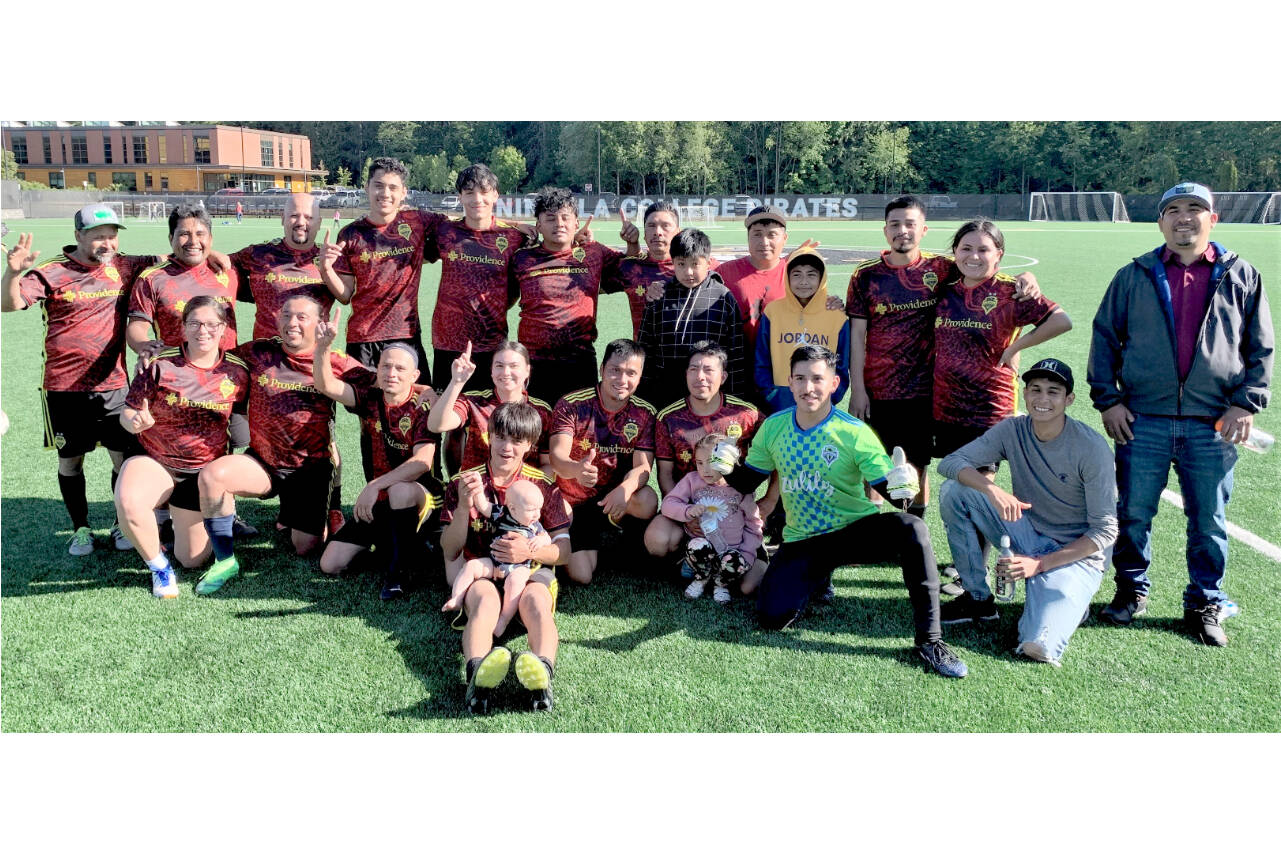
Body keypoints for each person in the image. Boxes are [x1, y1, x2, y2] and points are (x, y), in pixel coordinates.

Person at [1088, 181, 1273, 647]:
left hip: (1213, 423)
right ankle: (1131, 591)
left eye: (1196, 209)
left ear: (1214, 219)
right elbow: (1105, 338)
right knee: (1132, 514)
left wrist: (1245, 403)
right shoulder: (1135, 274)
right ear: (1161, 221)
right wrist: (1109, 400)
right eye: (1174, 209)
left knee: (1209, 519)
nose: (1184, 217)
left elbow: (1259, 347)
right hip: (1142, 420)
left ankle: (1205, 601)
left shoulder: (1241, 274)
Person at [724, 344, 968, 678]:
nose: (808, 387)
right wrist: (725, 467)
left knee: (912, 527)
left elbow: (896, 496)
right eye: (800, 379)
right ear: (790, 383)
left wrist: (904, 484)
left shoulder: (854, 432)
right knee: (770, 617)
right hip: (802, 540)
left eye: (817, 379)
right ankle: (817, 576)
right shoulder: (774, 427)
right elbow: (747, 481)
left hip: (853, 533)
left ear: (835, 383)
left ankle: (931, 640)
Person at [846, 195, 1040, 518]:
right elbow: (856, 336)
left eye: (910, 224)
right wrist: (859, 389)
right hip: (878, 388)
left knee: (917, 461)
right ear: (885, 231)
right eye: (895, 224)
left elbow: (986, 273)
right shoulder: (866, 276)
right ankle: (874, 523)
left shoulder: (941, 269)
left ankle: (914, 525)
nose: (902, 231)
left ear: (923, 229)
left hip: (926, 390)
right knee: (875, 458)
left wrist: (1028, 279)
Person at [2, 205, 160, 555]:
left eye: (112, 235)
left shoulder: (124, 265)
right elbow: (10, 304)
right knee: (71, 461)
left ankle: (121, 525)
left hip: (115, 386)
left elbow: (173, 257)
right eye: (98, 236)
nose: (107, 243)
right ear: (78, 236)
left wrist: (211, 254)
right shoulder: (52, 272)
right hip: (63, 389)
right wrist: (12, 273)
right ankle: (81, 528)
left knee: (124, 459)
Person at [937, 359, 1117, 666]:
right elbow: (950, 463)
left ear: (1068, 399)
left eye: (1053, 391)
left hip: (1074, 554)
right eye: (1035, 390)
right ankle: (978, 600)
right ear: (1025, 392)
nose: (1042, 399)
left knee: (1037, 647)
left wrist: (1039, 564)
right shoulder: (1013, 429)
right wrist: (992, 489)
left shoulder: (1091, 448)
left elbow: (1105, 532)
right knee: (956, 492)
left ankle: (1067, 599)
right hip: (1026, 530)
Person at [194, 295, 375, 594]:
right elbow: (211, 359)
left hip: (309, 470)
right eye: (287, 315)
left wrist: (423, 391)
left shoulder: (336, 361)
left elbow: (380, 385)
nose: (292, 322)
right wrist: (163, 354)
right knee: (213, 476)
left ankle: (323, 509)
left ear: (319, 323)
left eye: (302, 317)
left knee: (305, 548)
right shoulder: (258, 352)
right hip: (263, 462)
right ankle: (225, 560)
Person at [440, 402, 572, 714]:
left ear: (530, 445)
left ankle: (542, 680)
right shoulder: (466, 481)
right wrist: (462, 507)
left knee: (537, 603)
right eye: (500, 437)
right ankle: (477, 680)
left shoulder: (542, 485)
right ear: (488, 436)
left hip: (528, 573)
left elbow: (563, 553)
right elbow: (450, 549)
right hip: (484, 573)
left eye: (517, 441)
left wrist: (529, 551)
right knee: (485, 602)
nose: (507, 447)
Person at [114, 296, 249, 598]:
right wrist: (134, 422)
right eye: (195, 323)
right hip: (156, 459)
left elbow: (243, 423)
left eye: (211, 324)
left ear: (223, 327)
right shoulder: (160, 364)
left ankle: (179, 521)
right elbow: (128, 412)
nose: (203, 330)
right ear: (184, 327)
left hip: (201, 473)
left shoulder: (237, 371)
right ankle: (159, 567)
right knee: (128, 502)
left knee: (192, 559)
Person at [313, 311, 442, 601]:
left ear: (415, 376)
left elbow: (423, 462)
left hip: (422, 497)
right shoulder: (370, 399)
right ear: (378, 370)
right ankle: (400, 547)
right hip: (381, 501)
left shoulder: (423, 406)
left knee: (399, 491)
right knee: (330, 563)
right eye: (386, 367)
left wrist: (374, 485)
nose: (391, 373)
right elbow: (327, 385)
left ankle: (399, 572)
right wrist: (322, 347)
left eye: (399, 369)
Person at [932, 219, 1071, 460]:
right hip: (946, 405)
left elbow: (1061, 321)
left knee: (981, 482)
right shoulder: (944, 289)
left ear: (999, 254)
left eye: (983, 249)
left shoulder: (1011, 292)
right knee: (954, 476)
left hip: (989, 405)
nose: (974, 256)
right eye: (966, 248)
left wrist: (1015, 347)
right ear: (955, 251)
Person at [646, 343, 768, 589]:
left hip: (735, 514)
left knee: (748, 587)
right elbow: (666, 475)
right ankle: (694, 559)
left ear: (722, 376)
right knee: (657, 540)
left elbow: (777, 458)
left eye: (708, 370)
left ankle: (746, 553)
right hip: (693, 509)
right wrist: (686, 513)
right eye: (694, 369)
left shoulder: (747, 414)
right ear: (686, 374)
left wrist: (769, 502)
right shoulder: (668, 418)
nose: (700, 376)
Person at [507, 187, 640, 406]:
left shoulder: (593, 252)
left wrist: (632, 243)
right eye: (550, 218)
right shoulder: (521, 258)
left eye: (565, 217)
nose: (559, 224)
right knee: (534, 431)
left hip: (579, 360)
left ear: (576, 223)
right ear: (538, 225)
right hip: (533, 362)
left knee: (578, 432)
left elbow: (629, 269)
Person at [548, 339, 659, 585]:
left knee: (647, 501)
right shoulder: (572, 404)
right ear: (602, 370)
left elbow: (643, 466)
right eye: (615, 370)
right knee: (582, 576)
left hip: (611, 501)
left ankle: (620, 538)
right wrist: (576, 470)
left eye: (631, 373)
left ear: (640, 377)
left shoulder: (645, 412)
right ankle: (578, 536)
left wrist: (625, 489)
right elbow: (557, 457)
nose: (622, 379)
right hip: (572, 500)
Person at [425, 163, 535, 394]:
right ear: (460, 197)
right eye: (469, 193)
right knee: (446, 414)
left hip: (491, 343)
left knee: (487, 417)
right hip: (447, 341)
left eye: (484, 192)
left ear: (495, 195)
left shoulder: (514, 237)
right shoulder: (445, 231)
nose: (477, 199)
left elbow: (553, 239)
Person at [638, 227, 745, 403]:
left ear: (708, 262)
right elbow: (645, 349)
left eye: (695, 264)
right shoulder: (659, 296)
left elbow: (736, 352)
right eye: (681, 264)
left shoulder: (723, 297)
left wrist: (735, 399)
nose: (688, 272)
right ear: (672, 263)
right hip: (664, 393)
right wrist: (644, 395)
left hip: (710, 395)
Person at [659, 433, 763, 603]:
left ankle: (721, 584)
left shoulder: (740, 487)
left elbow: (754, 524)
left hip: (732, 551)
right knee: (696, 546)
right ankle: (701, 578)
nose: (705, 470)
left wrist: (746, 552)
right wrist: (688, 510)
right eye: (699, 463)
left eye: (711, 462)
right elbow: (668, 504)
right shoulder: (692, 480)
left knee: (737, 563)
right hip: (703, 551)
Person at [442, 479, 550, 637]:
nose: (537, 514)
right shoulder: (501, 513)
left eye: (539, 509)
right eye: (532, 509)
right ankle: (457, 598)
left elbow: (546, 538)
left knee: (516, 582)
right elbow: (483, 505)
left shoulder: (534, 525)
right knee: (472, 566)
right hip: (494, 563)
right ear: (512, 507)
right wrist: (477, 491)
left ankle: (504, 620)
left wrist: (540, 540)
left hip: (518, 567)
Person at [426, 340, 553, 473]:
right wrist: (456, 382)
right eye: (499, 366)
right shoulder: (474, 401)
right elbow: (436, 425)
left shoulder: (541, 411)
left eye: (514, 366)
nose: (506, 372)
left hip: (521, 488)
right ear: (491, 370)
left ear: (527, 370)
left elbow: (547, 464)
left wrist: (532, 488)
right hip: (477, 485)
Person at [755, 246, 849, 413]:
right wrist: (772, 395)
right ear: (787, 277)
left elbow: (842, 367)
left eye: (811, 275)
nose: (804, 282)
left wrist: (828, 398)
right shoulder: (773, 312)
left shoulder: (837, 316)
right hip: (778, 405)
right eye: (796, 274)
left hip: (820, 405)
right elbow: (762, 360)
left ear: (822, 278)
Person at [602, 200, 713, 338]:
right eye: (651, 225)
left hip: (689, 355)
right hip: (644, 356)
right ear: (644, 233)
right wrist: (578, 242)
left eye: (665, 225)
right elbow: (588, 284)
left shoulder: (700, 266)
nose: (657, 232)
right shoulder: (631, 268)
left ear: (678, 232)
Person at [230, 192, 331, 341]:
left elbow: (349, 294)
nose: (301, 222)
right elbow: (222, 264)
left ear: (319, 222)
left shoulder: (330, 258)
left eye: (309, 217)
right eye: (294, 216)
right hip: (265, 356)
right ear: (283, 219)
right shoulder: (259, 254)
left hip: (312, 356)